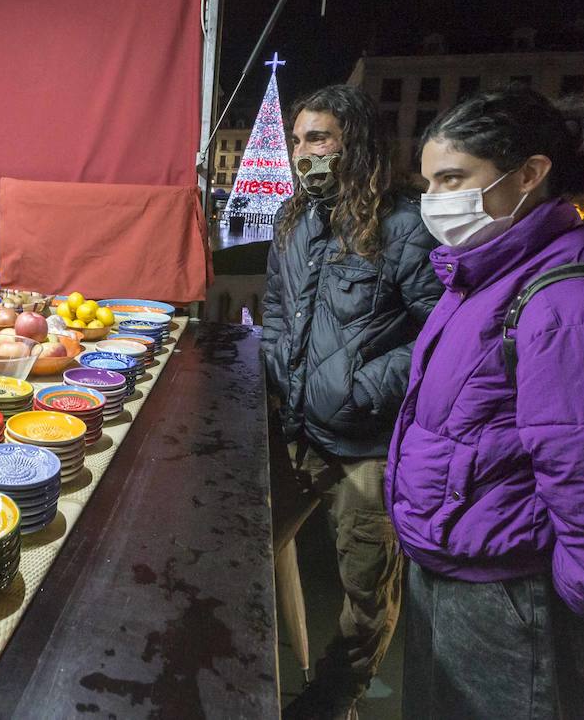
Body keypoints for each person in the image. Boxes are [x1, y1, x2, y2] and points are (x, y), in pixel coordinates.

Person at [389, 86, 584, 719]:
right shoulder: (486, 274)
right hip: (462, 575)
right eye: (428, 184)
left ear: (530, 174)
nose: (434, 202)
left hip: (508, 594)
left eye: (453, 179)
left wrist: (556, 601)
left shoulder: (571, 306)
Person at [261, 84, 442, 719]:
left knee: (365, 593)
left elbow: (440, 334)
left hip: (369, 450)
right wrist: (284, 366)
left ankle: (332, 700)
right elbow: (279, 308)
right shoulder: (294, 221)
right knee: (254, 540)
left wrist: (364, 386)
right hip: (301, 434)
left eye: (319, 139)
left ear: (354, 144)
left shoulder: (404, 227)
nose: (302, 153)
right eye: (297, 140)